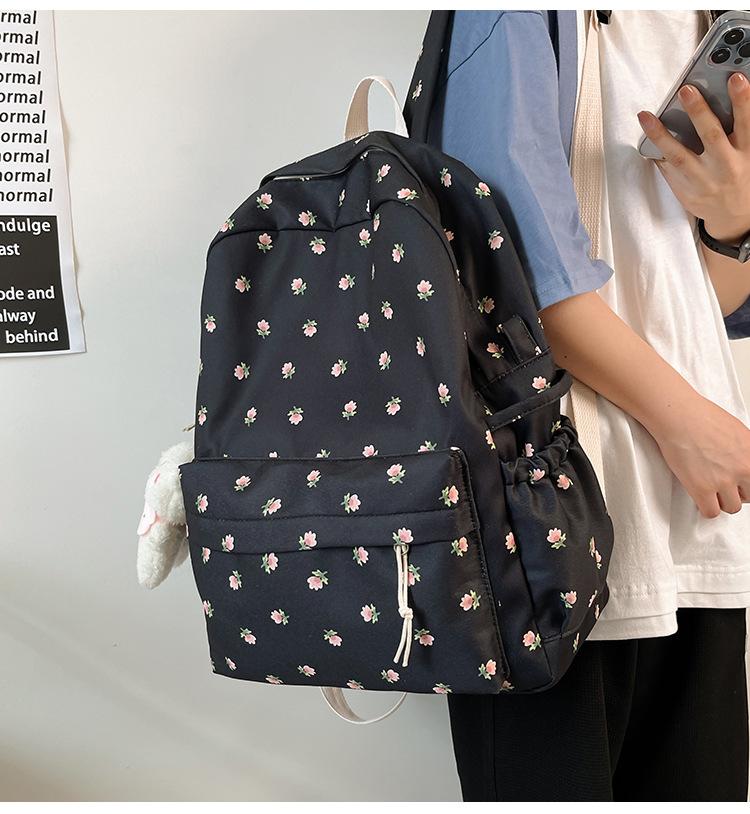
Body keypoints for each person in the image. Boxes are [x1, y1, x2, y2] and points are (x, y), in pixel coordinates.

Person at [406, 10, 750, 801]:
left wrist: (733, 223)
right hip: (546, 525)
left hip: (694, 520)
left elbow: (704, 301)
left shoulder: (709, 20)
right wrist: (687, 422)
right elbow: (505, 264)